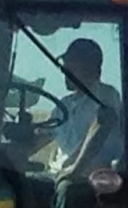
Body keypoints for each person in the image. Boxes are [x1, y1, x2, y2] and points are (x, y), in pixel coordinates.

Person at [48, 38, 123, 176]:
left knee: (67, 188)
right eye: (65, 66)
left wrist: (75, 169)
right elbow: (43, 135)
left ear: (90, 70)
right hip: (59, 174)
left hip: (91, 178)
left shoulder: (106, 95)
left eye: (71, 67)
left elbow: (102, 125)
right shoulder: (64, 105)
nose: (64, 71)